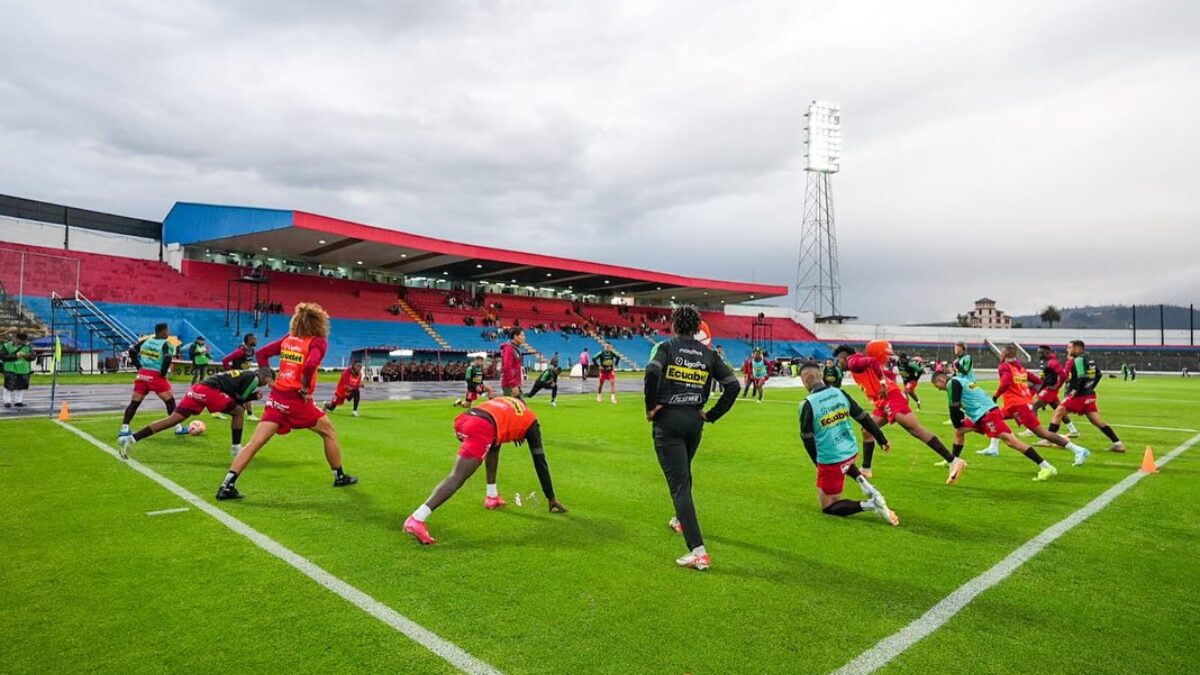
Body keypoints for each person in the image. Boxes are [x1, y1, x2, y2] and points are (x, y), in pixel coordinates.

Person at [215, 303, 358, 500]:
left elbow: (262, 353)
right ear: (319, 323)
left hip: (277, 398)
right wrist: (306, 386)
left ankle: (226, 485)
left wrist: (266, 378)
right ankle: (339, 476)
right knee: (329, 432)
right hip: (296, 400)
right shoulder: (318, 342)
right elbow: (310, 364)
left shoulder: (288, 340)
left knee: (255, 442)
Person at [644, 306, 739, 571]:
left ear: (674, 324)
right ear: (698, 327)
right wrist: (712, 415)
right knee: (684, 474)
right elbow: (733, 385)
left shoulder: (667, 347)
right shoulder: (708, 354)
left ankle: (698, 551)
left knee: (679, 484)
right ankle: (678, 518)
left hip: (669, 422)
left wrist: (650, 407)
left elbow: (652, 371)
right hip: (694, 422)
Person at [403, 396, 567, 545]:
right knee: (457, 477)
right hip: (481, 427)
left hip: (463, 420)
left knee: (494, 445)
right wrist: (551, 498)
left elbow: (500, 425)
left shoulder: (509, 403)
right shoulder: (532, 421)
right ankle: (417, 518)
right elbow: (540, 462)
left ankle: (492, 496)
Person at [833, 342, 963, 483]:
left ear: (843, 357)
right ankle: (866, 469)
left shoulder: (852, 362)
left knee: (915, 430)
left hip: (891, 397)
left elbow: (872, 361)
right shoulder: (855, 364)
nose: (837, 363)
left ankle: (953, 460)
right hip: (883, 401)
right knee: (867, 430)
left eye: (838, 360)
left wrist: (882, 383)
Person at [797, 361, 898, 525]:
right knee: (845, 463)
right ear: (821, 374)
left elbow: (807, 438)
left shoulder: (807, 404)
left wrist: (818, 463)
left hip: (831, 460)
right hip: (851, 451)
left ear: (806, 379)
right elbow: (863, 417)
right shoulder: (839, 393)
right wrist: (881, 438)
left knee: (828, 506)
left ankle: (871, 504)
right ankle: (864, 483)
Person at [119, 367, 273, 459]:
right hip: (209, 390)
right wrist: (253, 396)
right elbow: (240, 399)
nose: (267, 385)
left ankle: (131, 439)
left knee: (172, 420)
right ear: (265, 377)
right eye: (268, 381)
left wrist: (246, 397)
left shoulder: (245, 373)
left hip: (198, 388)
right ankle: (236, 448)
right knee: (239, 412)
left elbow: (233, 394)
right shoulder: (253, 378)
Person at [931, 370, 1058, 481]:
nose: (937, 388)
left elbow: (954, 405)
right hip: (980, 414)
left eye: (936, 385)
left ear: (941, 379)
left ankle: (1046, 466)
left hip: (987, 415)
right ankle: (953, 461)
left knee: (1011, 441)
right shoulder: (960, 380)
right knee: (959, 431)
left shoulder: (952, 383)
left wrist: (957, 418)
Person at [988, 345, 1091, 466]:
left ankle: (1078, 450)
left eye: (1002, 353)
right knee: (993, 417)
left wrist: (995, 395)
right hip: (1015, 405)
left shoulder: (1004, 367)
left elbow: (1005, 383)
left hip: (1018, 406)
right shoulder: (1019, 368)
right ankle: (993, 448)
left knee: (1043, 433)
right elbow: (1037, 381)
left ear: (1004, 355)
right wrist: (1025, 389)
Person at [1043, 340, 1125, 453]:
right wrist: (1091, 387)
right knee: (1097, 421)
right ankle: (1118, 444)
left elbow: (1081, 376)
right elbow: (1099, 374)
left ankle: (1048, 440)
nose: (1067, 349)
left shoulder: (1079, 359)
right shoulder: (1089, 359)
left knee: (1058, 412)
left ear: (1077, 348)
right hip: (1089, 395)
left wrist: (1075, 390)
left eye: (1069, 347)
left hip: (1079, 397)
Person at [119, 323, 185, 439]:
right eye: (167, 331)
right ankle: (178, 427)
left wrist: (139, 367)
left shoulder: (146, 340)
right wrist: (163, 374)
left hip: (143, 375)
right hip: (156, 375)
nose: (168, 334)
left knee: (134, 403)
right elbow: (168, 358)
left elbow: (132, 351)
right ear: (164, 331)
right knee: (170, 401)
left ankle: (124, 428)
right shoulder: (166, 344)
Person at [1030, 345, 1080, 437]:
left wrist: (1057, 386)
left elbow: (1063, 376)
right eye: (1038, 352)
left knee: (1034, 406)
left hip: (1050, 389)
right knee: (1059, 410)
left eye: (1040, 353)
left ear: (1047, 353)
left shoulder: (1052, 362)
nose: (1038, 354)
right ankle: (1073, 430)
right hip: (1049, 389)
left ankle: (1033, 429)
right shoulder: (1047, 361)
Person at [1, 332, 34, 409]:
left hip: (23, 369)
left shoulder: (28, 347)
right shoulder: (6, 346)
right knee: (8, 385)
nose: (22, 342)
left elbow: (33, 357)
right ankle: (7, 402)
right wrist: (15, 356)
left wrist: (27, 356)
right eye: (20, 340)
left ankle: (18, 401)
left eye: (24, 341)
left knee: (21, 386)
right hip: (10, 368)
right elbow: (2, 357)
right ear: (16, 339)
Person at [500, 327, 526, 398]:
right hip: (510, 385)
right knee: (516, 408)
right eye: (522, 335)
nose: (524, 337)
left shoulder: (515, 348)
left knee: (519, 407)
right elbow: (507, 367)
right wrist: (513, 384)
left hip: (514, 384)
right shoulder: (509, 349)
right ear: (515, 336)